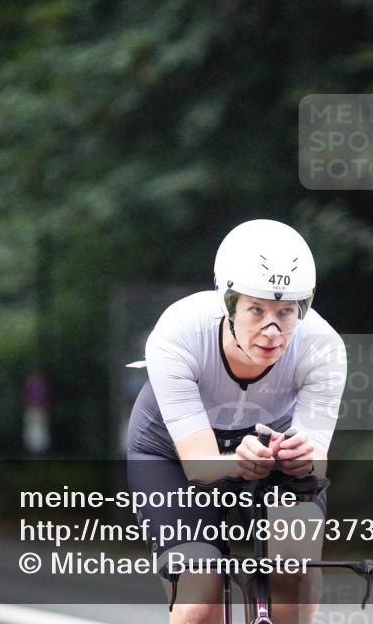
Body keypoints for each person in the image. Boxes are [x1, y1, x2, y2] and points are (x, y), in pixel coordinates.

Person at [126, 219, 346, 624]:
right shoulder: (179, 333)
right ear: (228, 303)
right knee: (198, 601)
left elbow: (316, 463)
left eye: (286, 311)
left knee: (295, 574)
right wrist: (236, 461)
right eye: (256, 310)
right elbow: (199, 465)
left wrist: (301, 458)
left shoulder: (323, 348)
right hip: (173, 455)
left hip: (268, 449)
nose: (272, 329)